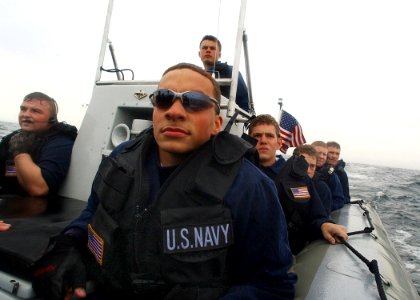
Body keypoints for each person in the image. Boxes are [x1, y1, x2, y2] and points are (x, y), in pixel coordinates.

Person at [32, 63, 297, 299]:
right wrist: (70, 245)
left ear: (217, 123)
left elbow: (272, 284)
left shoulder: (250, 187)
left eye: (194, 101)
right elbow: (92, 214)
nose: (175, 111)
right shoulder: (120, 158)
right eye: (164, 98)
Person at [248, 115, 347, 255]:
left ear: (279, 142)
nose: (263, 140)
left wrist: (324, 224)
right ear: (249, 140)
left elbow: (313, 214)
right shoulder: (236, 174)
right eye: (257, 135)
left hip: (284, 254)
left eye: (269, 136)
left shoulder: (297, 177)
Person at [0, 92, 77, 197]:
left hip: (37, 208)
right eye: (23, 109)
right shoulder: (16, 137)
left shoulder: (61, 143)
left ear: (52, 120)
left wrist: (20, 151)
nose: (25, 114)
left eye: (35, 111)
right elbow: (12, 175)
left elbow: (39, 189)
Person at [199, 34, 250, 112]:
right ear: (199, 54)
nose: (208, 50)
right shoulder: (196, 75)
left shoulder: (232, 71)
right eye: (205, 48)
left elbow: (245, 102)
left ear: (219, 55)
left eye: (213, 48)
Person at [293, 145, 333, 216]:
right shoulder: (280, 181)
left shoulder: (322, 188)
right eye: (303, 164)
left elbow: (321, 218)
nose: (308, 170)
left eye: (312, 166)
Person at [311, 141, 345, 211]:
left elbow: (340, 200)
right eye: (318, 153)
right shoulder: (300, 171)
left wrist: (320, 208)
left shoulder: (331, 175)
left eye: (324, 154)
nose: (321, 156)